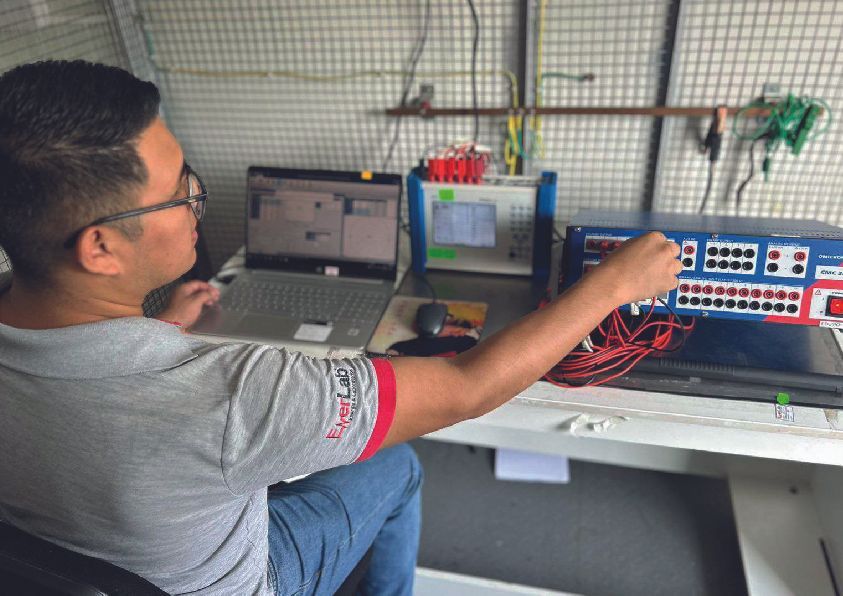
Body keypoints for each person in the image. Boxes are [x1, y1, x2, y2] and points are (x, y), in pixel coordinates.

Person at [0, 60, 682, 596]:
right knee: (392, 465)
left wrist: (168, 329)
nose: (196, 204)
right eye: (182, 192)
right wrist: (614, 285)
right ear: (99, 249)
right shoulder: (233, 399)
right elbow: (463, 385)